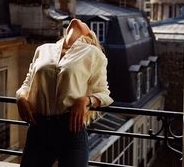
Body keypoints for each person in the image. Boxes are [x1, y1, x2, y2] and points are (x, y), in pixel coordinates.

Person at [16, 18, 113, 167]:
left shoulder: (93, 53)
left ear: (89, 34)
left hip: (71, 129)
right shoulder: (43, 49)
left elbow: (104, 93)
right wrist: (20, 98)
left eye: (84, 23)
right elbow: (28, 83)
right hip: (39, 128)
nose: (77, 20)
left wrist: (85, 100)